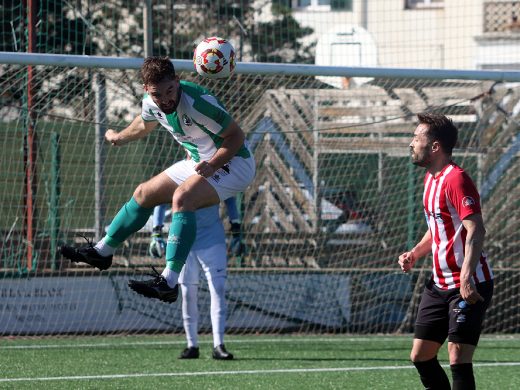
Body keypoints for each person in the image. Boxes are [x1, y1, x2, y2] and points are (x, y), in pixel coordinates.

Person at [61, 56, 255, 303]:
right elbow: (144, 123)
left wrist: (213, 164)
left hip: (234, 163)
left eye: (170, 91)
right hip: (200, 162)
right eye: (157, 95)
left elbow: (236, 136)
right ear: (146, 90)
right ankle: (102, 252)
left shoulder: (196, 103)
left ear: (177, 81)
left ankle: (169, 282)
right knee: (144, 193)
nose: (165, 100)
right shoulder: (151, 104)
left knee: (182, 198)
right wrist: (120, 137)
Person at [398, 113, 493, 390]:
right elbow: (438, 228)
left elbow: (476, 229)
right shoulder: (430, 179)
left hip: (468, 283)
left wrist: (465, 278)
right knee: (420, 356)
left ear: (435, 146)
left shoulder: (457, 179)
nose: (411, 143)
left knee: (457, 355)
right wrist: (415, 252)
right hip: (438, 284)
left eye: (417, 138)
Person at [149, 197, 244, 260]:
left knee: (218, 286)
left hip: (212, 237)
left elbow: (230, 199)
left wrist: (236, 232)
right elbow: (162, 200)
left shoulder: (219, 173)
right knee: (184, 287)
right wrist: (156, 234)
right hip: (183, 237)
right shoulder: (180, 170)